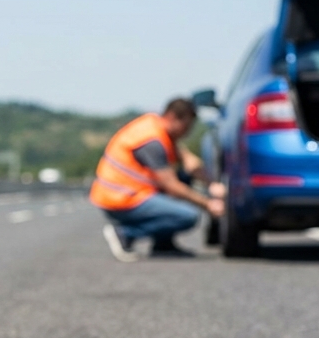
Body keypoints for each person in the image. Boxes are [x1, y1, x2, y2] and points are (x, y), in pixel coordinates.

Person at [88, 98, 225, 261]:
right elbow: (171, 186)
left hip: (130, 193)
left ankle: (163, 244)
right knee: (188, 216)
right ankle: (125, 234)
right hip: (121, 198)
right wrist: (208, 204)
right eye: (186, 126)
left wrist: (212, 184)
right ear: (173, 118)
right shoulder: (152, 142)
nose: (187, 132)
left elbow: (190, 163)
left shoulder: (157, 128)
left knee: (185, 177)